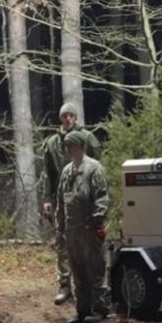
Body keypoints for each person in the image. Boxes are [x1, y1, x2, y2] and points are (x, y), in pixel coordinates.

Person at [40, 103, 101, 306]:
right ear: (60, 118)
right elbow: (48, 173)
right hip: (61, 197)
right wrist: (47, 199)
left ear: (75, 118)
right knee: (62, 242)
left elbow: (97, 166)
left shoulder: (87, 138)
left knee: (87, 243)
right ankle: (65, 284)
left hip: (84, 198)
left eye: (70, 115)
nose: (67, 119)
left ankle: (90, 288)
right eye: (64, 116)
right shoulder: (52, 143)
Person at [55, 130, 110, 323]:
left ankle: (100, 309)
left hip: (89, 228)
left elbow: (101, 197)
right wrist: (60, 226)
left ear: (80, 146)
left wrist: (97, 221)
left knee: (95, 269)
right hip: (72, 230)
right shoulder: (66, 171)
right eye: (66, 146)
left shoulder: (94, 169)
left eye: (71, 145)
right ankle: (83, 310)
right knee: (78, 271)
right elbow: (61, 201)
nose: (68, 149)